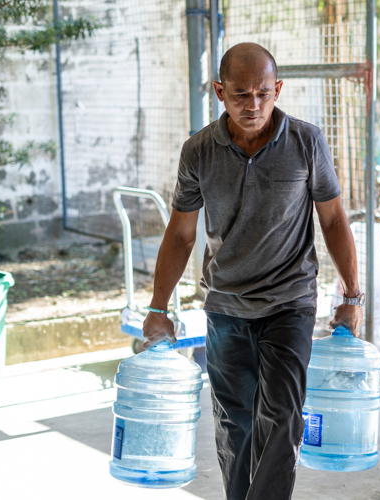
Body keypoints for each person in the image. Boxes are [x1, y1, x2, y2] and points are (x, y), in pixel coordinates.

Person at [141, 42, 364, 500]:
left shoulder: (306, 141)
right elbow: (181, 234)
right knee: (234, 423)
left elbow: (335, 220)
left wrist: (352, 297)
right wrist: (158, 308)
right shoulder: (198, 151)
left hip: (290, 304)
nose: (254, 105)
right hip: (225, 307)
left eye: (263, 93)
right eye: (241, 95)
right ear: (220, 92)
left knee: (282, 418)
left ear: (277, 89)